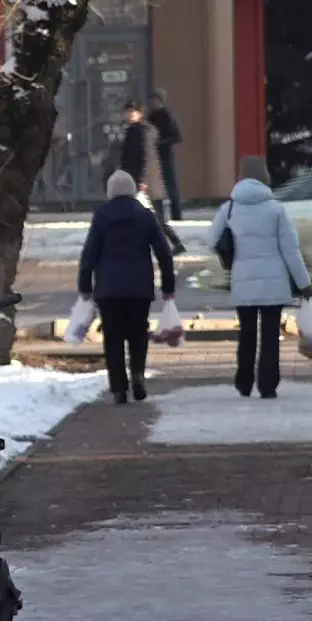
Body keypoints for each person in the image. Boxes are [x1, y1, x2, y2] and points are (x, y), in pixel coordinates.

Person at [205, 156, 312, 400]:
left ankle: (244, 382)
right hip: (273, 281)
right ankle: (268, 385)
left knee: (246, 334)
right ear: (264, 176)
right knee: (270, 335)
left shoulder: (229, 208)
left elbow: (211, 240)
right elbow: (291, 250)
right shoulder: (276, 209)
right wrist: (304, 283)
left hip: (243, 280)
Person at [78, 169, 176, 404]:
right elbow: (163, 252)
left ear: (110, 191)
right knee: (138, 333)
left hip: (108, 289)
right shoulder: (145, 216)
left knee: (112, 337)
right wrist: (168, 284)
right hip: (139, 287)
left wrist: (84, 284)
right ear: (132, 190)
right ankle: (138, 374)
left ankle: (118, 388)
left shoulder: (101, 216)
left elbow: (90, 252)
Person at [119, 100, 186, 256]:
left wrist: (141, 179)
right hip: (147, 180)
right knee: (154, 218)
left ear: (140, 113)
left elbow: (143, 156)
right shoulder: (145, 130)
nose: (129, 114)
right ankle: (174, 243)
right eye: (128, 111)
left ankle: (170, 244)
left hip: (141, 180)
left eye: (133, 111)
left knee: (140, 216)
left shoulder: (138, 132)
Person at [147, 88, 184, 223]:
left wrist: (161, 143)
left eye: (154, 100)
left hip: (166, 157)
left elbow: (177, 137)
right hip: (153, 158)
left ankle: (176, 216)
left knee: (171, 188)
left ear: (160, 100)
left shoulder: (167, 117)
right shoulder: (150, 117)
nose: (152, 103)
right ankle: (159, 216)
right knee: (156, 189)